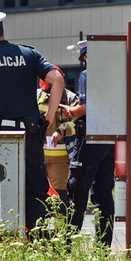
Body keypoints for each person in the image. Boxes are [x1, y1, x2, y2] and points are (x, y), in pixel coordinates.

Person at [0, 10, 66, 232]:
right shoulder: (29, 54)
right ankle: (36, 240)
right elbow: (57, 79)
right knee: (35, 189)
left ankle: (3, 238)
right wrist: (48, 118)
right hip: (29, 134)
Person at [60, 40, 116, 248]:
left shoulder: (88, 75)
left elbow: (86, 107)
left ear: (86, 57)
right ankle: (103, 247)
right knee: (103, 195)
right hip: (109, 140)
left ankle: (67, 246)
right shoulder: (114, 77)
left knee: (77, 190)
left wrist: (71, 111)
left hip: (89, 140)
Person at [37, 71, 79, 205]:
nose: (51, 94)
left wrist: (62, 130)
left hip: (61, 158)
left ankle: (60, 225)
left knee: (59, 196)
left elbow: (78, 123)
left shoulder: (71, 98)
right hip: (38, 155)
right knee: (39, 194)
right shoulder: (37, 96)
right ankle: (40, 225)